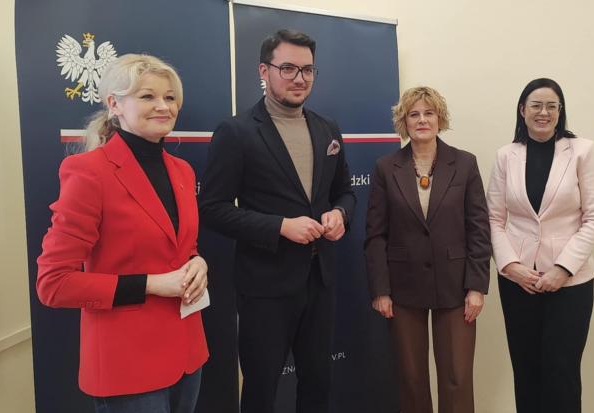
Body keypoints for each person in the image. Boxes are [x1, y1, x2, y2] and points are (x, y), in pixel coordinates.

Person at [36, 54, 209, 413]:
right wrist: (151, 284)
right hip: (128, 364)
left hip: (187, 352)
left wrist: (198, 263)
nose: (163, 106)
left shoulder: (182, 170)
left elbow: (182, 247)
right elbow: (54, 284)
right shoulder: (89, 172)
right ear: (114, 104)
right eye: (147, 96)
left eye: (170, 97)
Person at [199, 29, 355, 413]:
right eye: (288, 68)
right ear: (264, 71)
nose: (299, 78)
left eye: (307, 69)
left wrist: (340, 214)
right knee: (261, 391)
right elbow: (213, 208)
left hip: (319, 281)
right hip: (265, 288)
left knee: (318, 385)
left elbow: (345, 192)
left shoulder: (327, 128)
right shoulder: (236, 132)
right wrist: (279, 226)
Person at [365, 86, 491, 413]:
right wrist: (381, 290)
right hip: (403, 289)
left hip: (456, 286)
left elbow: (479, 229)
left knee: (457, 378)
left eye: (429, 113)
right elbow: (375, 235)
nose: (422, 120)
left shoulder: (465, 164)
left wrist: (476, 287)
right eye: (414, 114)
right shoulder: (385, 167)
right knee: (411, 378)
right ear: (404, 122)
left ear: (439, 119)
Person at [486, 78, 594, 413]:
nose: (544, 112)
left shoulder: (582, 151)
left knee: (561, 371)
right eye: (536, 105)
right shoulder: (506, 156)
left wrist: (562, 269)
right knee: (526, 370)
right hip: (519, 282)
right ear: (522, 110)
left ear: (560, 111)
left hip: (571, 282)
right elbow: (493, 218)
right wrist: (511, 266)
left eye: (552, 106)